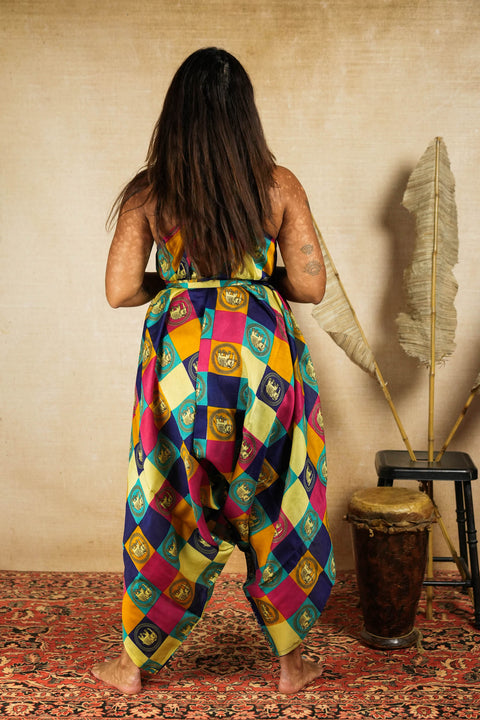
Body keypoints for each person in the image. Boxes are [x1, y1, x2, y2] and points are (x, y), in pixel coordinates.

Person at [92, 47, 335, 696]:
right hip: (261, 361)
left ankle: (133, 666)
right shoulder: (277, 184)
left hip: (181, 362)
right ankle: (291, 665)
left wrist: (182, 286)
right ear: (246, 115)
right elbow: (310, 285)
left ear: (175, 115)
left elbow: (119, 288)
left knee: (167, 497)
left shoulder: (151, 190)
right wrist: (250, 280)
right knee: (275, 499)